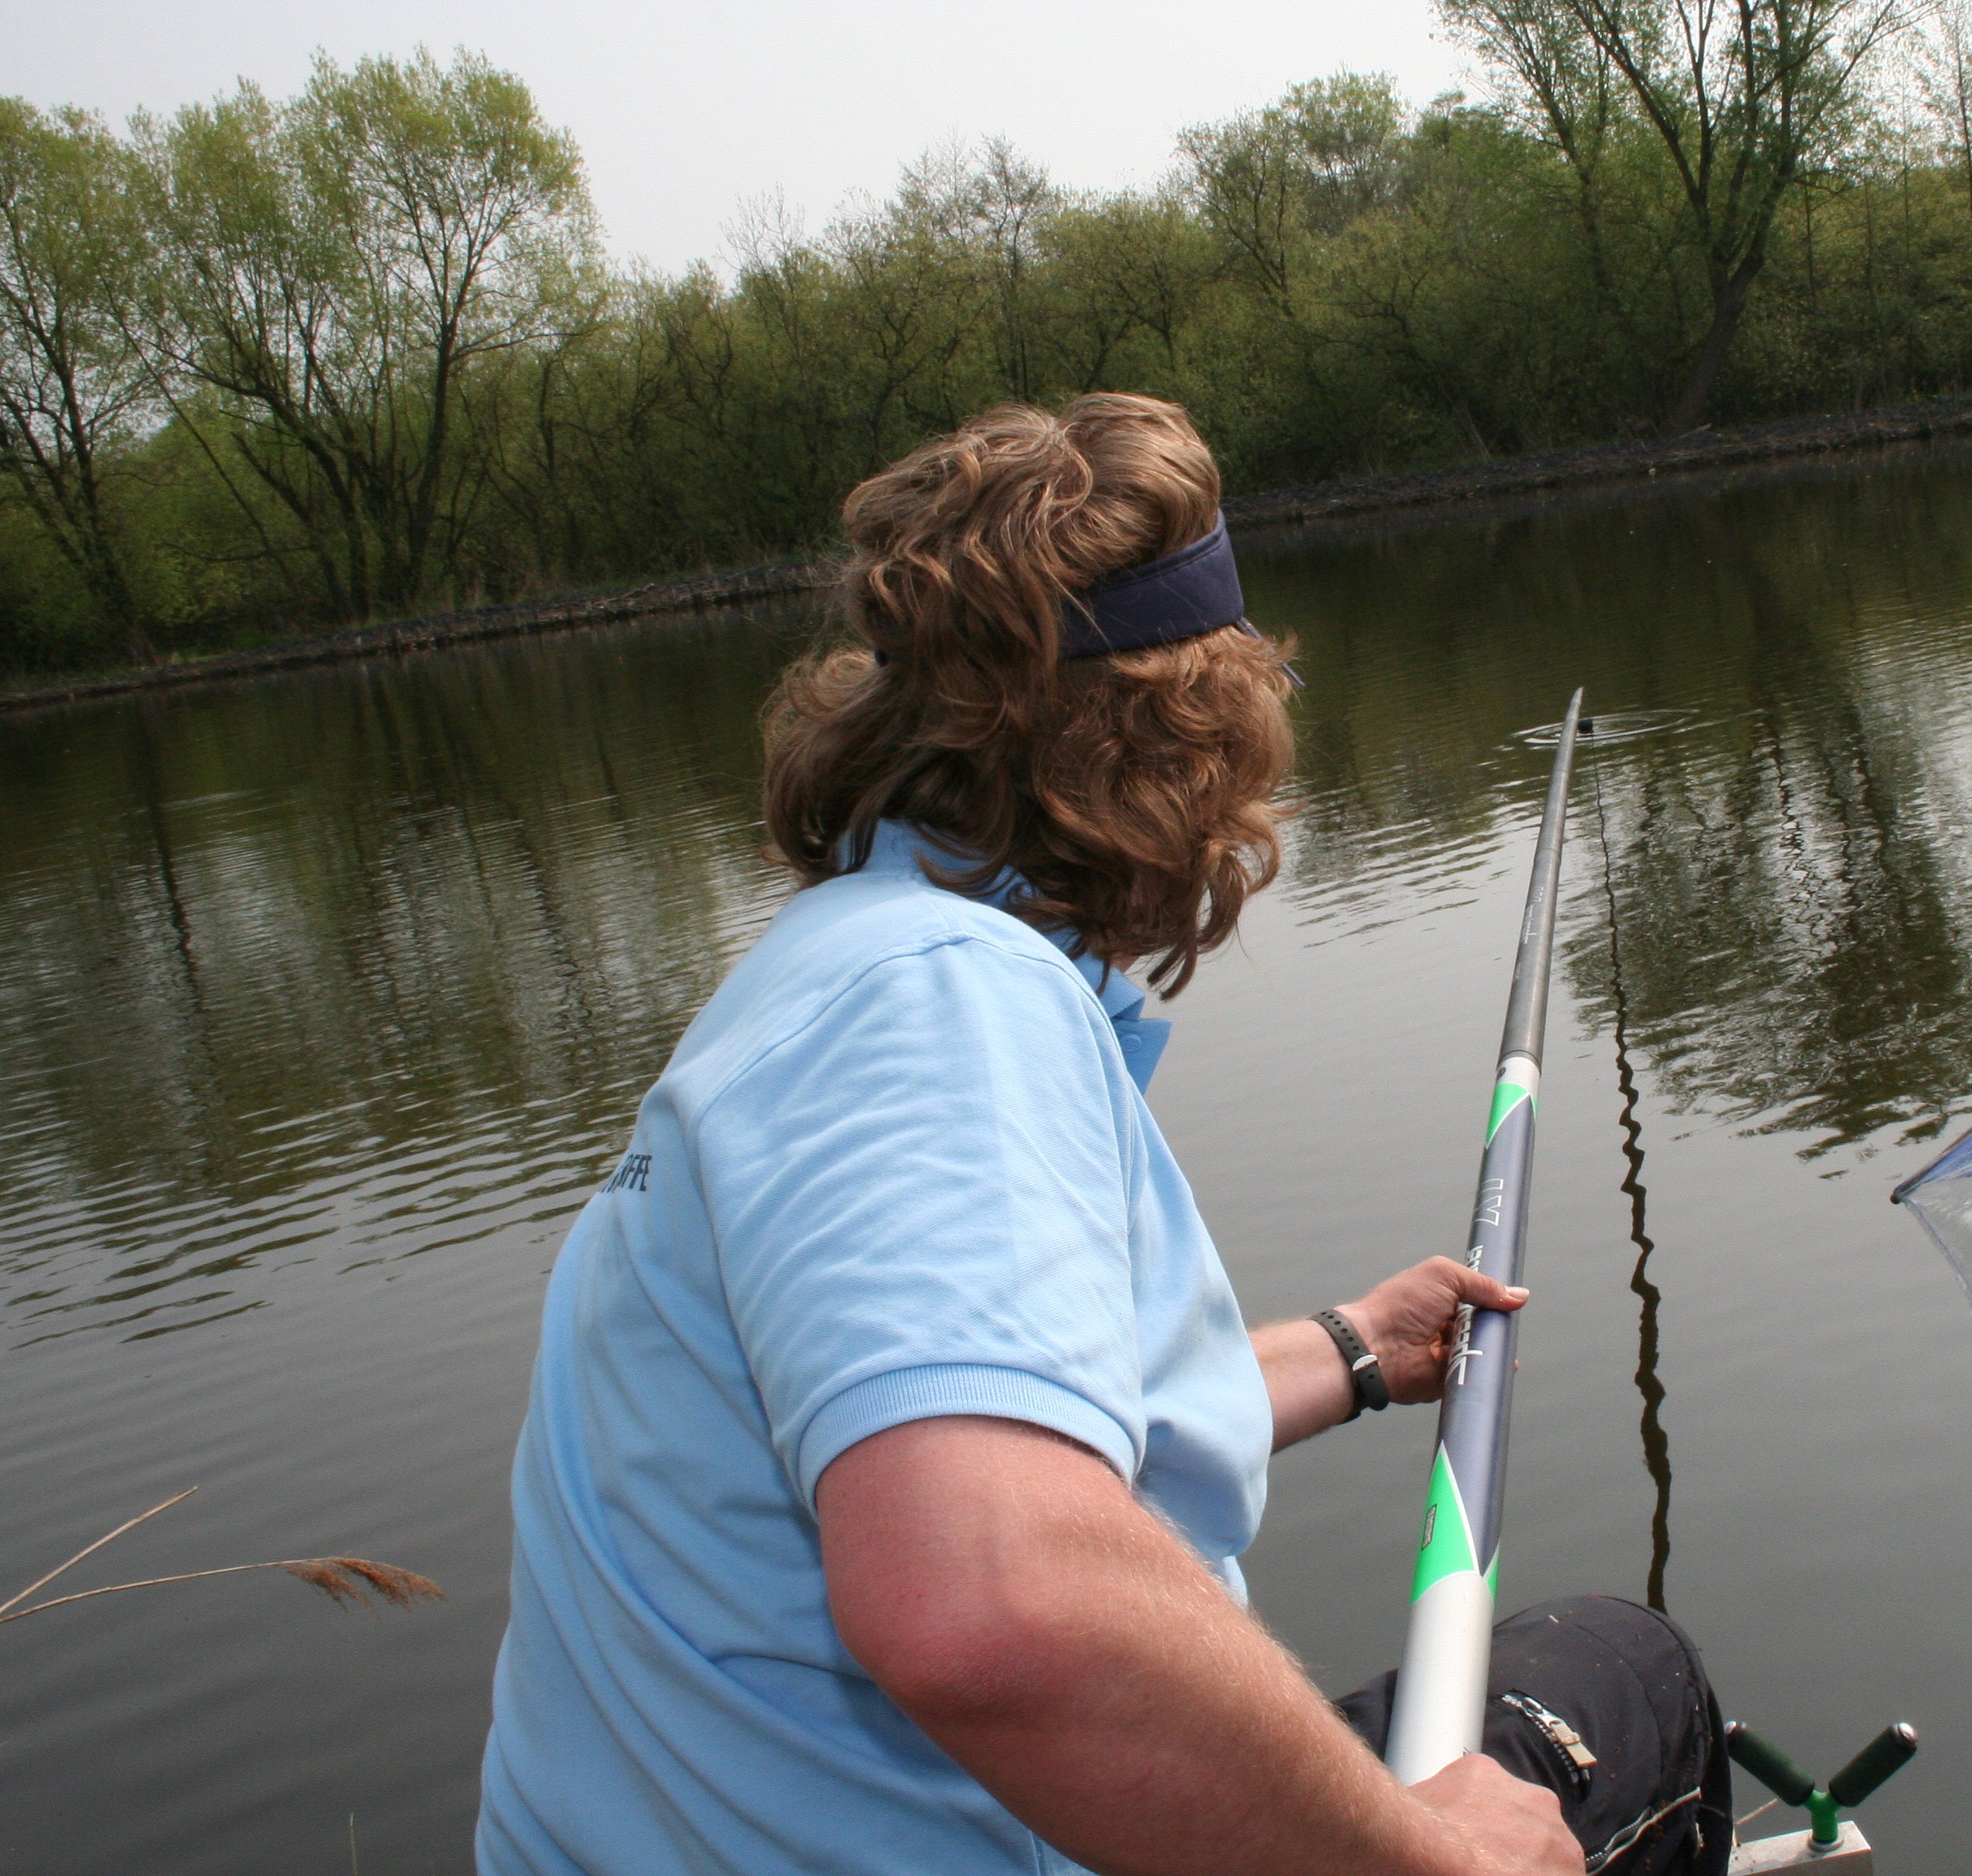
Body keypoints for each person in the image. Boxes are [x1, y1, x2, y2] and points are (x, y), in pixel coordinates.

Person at [477, 393, 1731, 1876]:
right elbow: (988, 1606)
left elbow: (1008, 1420)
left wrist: (1348, 1349)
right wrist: (1418, 1859)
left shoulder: (836, 969)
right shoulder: (943, 1008)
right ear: (1186, 740)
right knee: (1628, 1679)